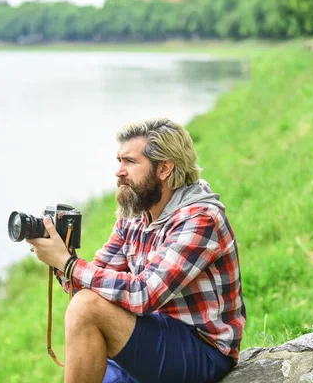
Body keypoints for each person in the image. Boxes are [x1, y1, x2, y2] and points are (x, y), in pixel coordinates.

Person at [27, 118, 246, 383]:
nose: (119, 172)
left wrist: (69, 265)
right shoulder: (134, 217)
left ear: (164, 169)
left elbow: (144, 294)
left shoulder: (200, 219)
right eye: (119, 161)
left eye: (130, 162)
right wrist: (61, 257)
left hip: (203, 350)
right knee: (86, 310)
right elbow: (92, 282)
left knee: (85, 307)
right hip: (152, 335)